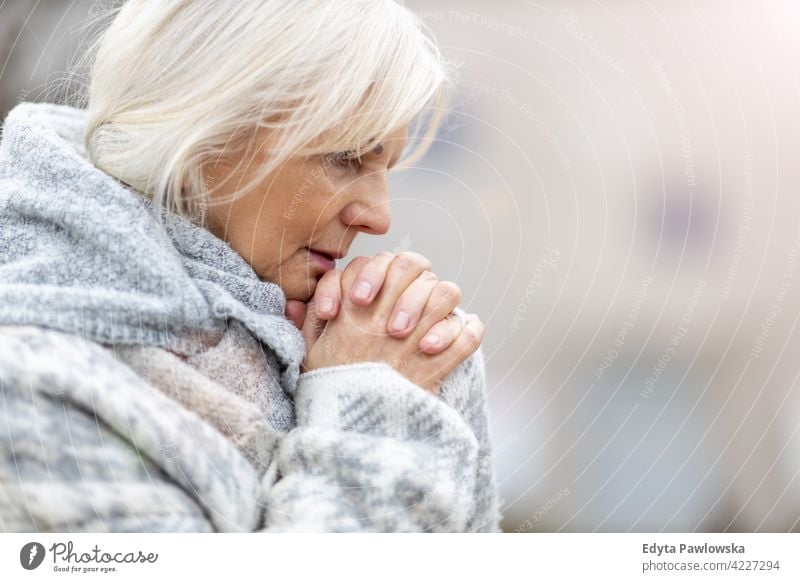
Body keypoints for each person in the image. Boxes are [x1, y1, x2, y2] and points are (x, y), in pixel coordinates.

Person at [0, 0, 500, 532]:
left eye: (384, 168)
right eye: (346, 156)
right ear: (205, 124)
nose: (379, 217)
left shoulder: (373, 336)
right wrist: (375, 413)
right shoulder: (32, 385)